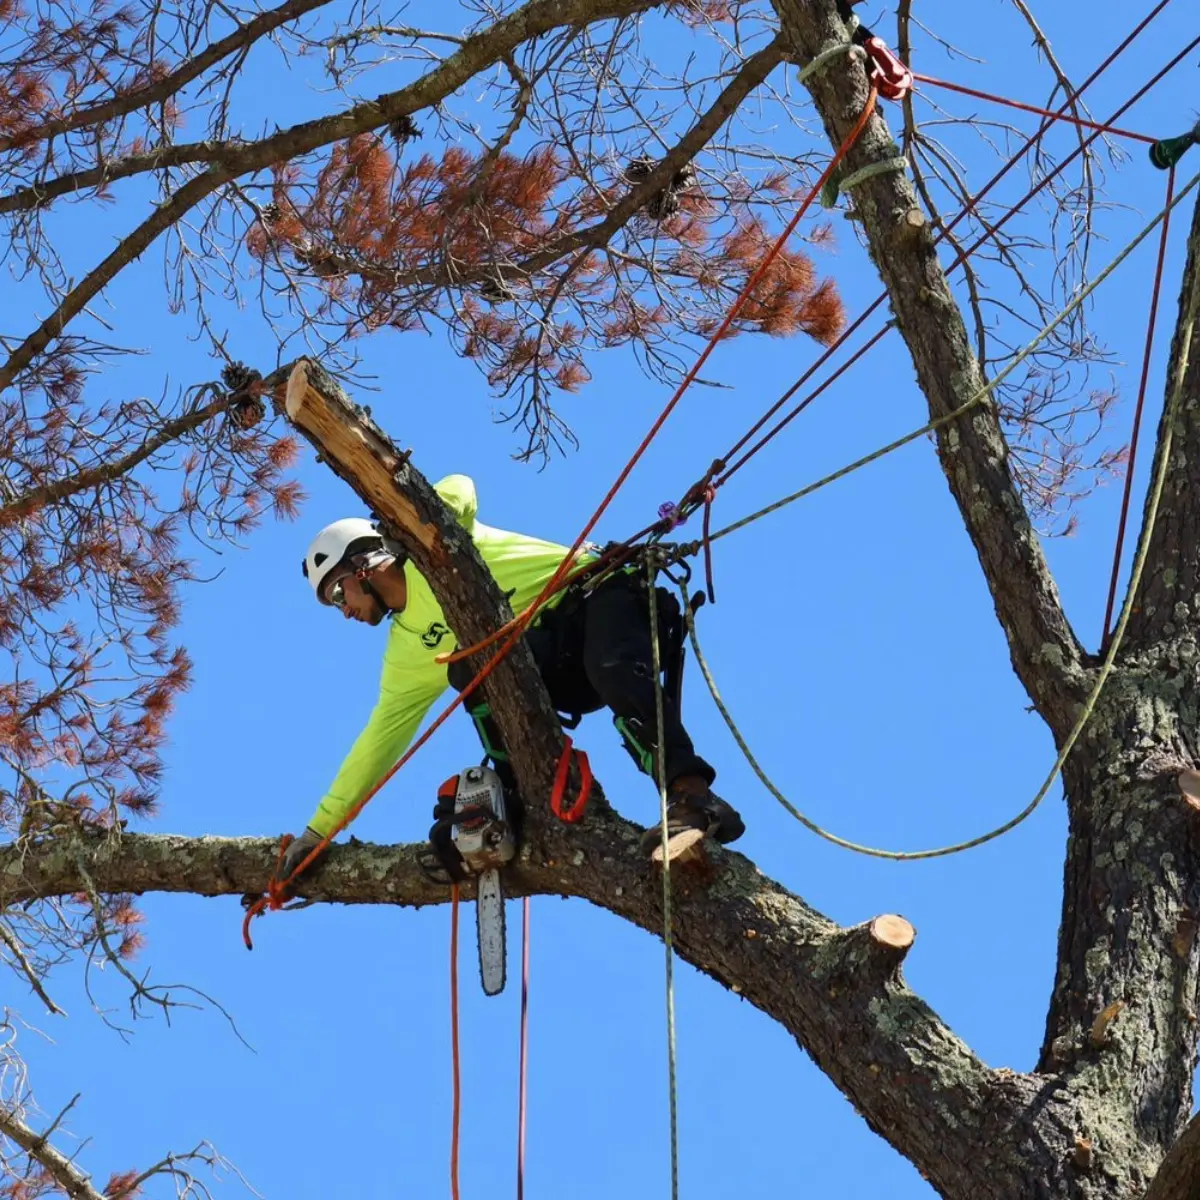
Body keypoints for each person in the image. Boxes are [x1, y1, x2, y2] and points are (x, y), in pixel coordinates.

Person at [276, 474, 743, 886]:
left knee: (611, 667)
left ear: (362, 565)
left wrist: (413, 518)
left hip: (603, 598)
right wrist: (319, 832)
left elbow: (460, 486)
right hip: (560, 664)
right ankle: (512, 804)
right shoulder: (408, 649)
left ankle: (692, 796)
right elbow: (380, 740)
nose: (344, 611)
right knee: (466, 666)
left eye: (337, 593)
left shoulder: (436, 538)